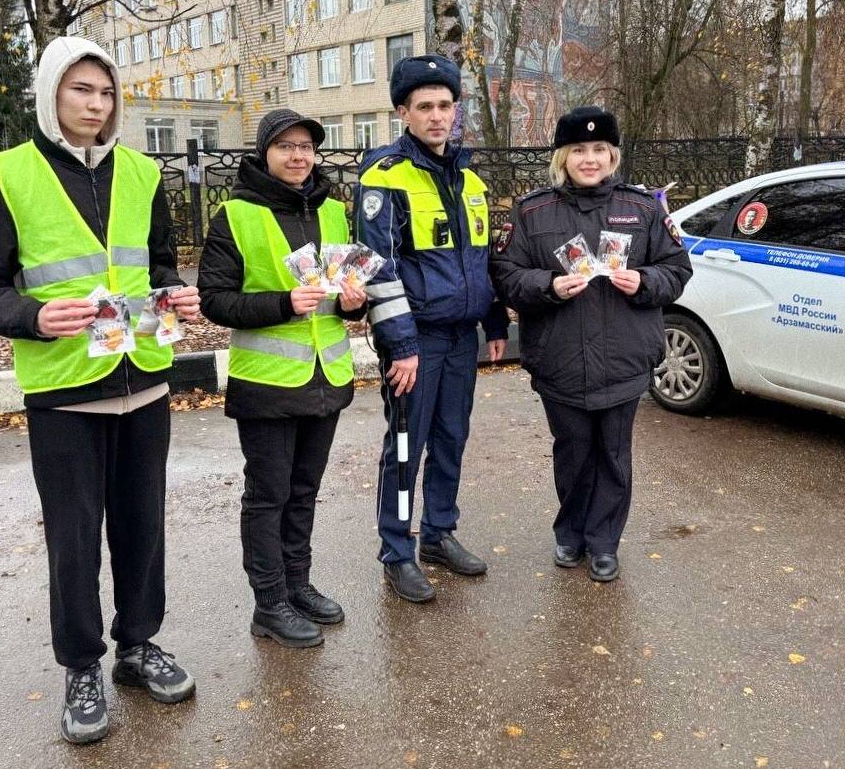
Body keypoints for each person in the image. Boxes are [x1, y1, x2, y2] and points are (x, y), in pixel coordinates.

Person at [0, 37, 199, 744]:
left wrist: (173, 296)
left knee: (142, 528)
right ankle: (82, 664)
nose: (96, 105)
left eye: (106, 92)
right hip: (64, 395)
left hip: (144, 383)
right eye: (80, 90)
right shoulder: (12, 175)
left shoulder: (145, 173)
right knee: (73, 540)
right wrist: (32, 315)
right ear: (50, 94)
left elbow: (156, 266)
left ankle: (138, 645)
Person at [489, 106, 692, 582]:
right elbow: (505, 275)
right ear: (563, 156)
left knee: (614, 455)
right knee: (573, 451)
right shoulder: (533, 211)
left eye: (599, 149)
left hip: (624, 361)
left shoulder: (643, 209)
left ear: (613, 155)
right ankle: (571, 533)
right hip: (561, 361)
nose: (590, 158)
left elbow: (678, 270)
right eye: (579, 149)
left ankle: (604, 542)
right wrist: (548, 286)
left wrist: (642, 279)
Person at [198, 109, 367, 647]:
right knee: (268, 494)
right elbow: (214, 300)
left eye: (307, 147)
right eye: (286, 146)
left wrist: (352, 303)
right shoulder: (237, 215)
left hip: (327, 376)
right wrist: (282, 303)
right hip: (268, 383)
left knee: (304, 490)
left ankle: (299, 585)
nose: (298, 156)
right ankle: (268, 602)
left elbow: (342, 294)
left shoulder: (335, 213)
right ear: (265, 153)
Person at [355, 55, 509, 603]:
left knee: (451, 440)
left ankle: (439, 534)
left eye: (445, 105)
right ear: (403, 112)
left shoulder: (469, 180)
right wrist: (400, 346)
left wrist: (493, 319)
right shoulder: (385, 178)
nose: (437, 116)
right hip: (414, 341)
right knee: (404, 446)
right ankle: (397, 549)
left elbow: (482, 256)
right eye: (425, 107)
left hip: (461, 337)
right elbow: (377, 268)